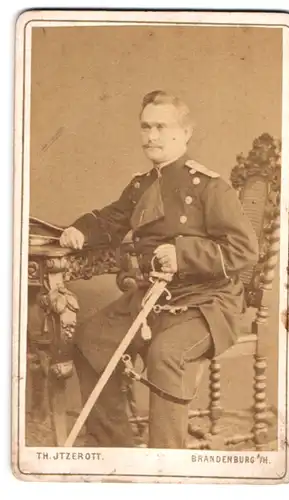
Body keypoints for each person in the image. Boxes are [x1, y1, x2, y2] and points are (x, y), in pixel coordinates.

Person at [60, 90, 259, 449]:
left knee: (165, 353)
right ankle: (117, 448)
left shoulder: (210, 187)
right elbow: (111, 219)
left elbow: (245, 250)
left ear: (185, 133)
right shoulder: (142, 185)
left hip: (208, 304)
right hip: (157, 298)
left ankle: (165, 459)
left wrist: (183, 254)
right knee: (90, 339)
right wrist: (80, 229)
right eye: (145, 127)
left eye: (161, 127)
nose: (151, 136)